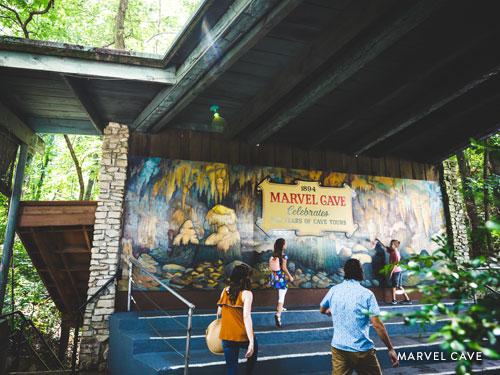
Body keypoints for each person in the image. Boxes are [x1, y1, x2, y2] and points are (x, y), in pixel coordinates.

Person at [320, 258, 399, 375]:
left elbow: (322, 309)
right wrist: (390, 349)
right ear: (360, 272)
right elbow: (377, 325)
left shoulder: (334, 290)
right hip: (362, 350)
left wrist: (331, 311)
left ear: (345, 272)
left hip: (339, 348)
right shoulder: (366, 294)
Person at [217, 265, 258, 375]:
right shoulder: (247, 294)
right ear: (244, 278)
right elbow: (246, 317)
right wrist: (251, 342)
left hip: (226, 336)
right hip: (242, 335)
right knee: (254, 351)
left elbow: (219, 312)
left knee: (231, 369)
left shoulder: (225, 291)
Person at [376, 238, 411, 305]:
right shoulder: (392, 251)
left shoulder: (396, 254)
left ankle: (394, 300)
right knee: (399, 286)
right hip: (398, 271)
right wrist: (379, 240)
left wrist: (391, 272)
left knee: (394, 286)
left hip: (396, 271)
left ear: (395, 245)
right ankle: (408, 300)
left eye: (391, 244)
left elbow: (395, 264)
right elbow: (385, 247)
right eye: (390, 244)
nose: (390, 245)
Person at [269, 238, 294, 327]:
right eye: (285, 243)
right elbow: (284, 268)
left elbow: (271, 268)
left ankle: (280, 307)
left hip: (274, 277)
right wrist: (290, 276)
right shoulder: (284, 256)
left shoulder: (273, 255)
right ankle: (278, 314)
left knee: (283, 290)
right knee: (282, 296)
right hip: (280, 277)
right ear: (282, 245)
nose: (286, 245)